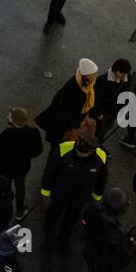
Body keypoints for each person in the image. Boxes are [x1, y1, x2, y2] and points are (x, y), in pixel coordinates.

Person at [34, 58, 98, 193]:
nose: (95, 76)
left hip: (65, 125)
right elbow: (66, 112)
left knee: (58, 151)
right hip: (61, 128)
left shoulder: (82, 83)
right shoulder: (76, 90)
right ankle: (49, 178)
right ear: (86, 75)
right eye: (93, 74)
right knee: (56, 152)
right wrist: (79, 120)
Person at [43, 137, 108, 254]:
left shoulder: (101, 157)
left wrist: (96, 198)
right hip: (59, 194)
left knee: (71, 220)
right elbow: (49, 172)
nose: (79, 154)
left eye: (83, 153)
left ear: (92, 151)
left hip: (80, 198)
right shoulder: (63, 150)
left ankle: (64, 239)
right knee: (52, 217)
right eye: (78, 151)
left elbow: (101, 179)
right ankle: (49, 238)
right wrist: (46, 193)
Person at [0, 107, 43, 209]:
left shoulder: (6, 134)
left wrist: (3, 160)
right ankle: (20, 210)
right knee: (20, 186)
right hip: (22, 167)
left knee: (5, 187)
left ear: (14, 122)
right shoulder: (34, 132)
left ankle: (5, 207)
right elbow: (38, 150)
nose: (7, 117)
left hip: (5, 168)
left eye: (10, 116)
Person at [79, 188, 130, 272]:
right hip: (106, 262)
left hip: (90, 251)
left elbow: (84, 223)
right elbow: (122, 258)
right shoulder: (119, 235)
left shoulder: (91, 211)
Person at [91, 60, 133, 139]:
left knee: (106, 129)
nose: (124, 76)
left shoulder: (127, 77)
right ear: (116, 71)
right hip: (103, 113)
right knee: (97, 132)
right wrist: (98, 113)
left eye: (125, 74)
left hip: (114, 112)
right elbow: (95, 98)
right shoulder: (102, 80)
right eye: (122, 74)